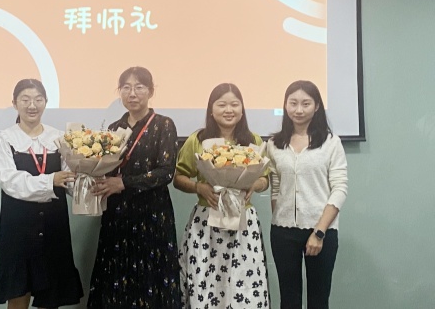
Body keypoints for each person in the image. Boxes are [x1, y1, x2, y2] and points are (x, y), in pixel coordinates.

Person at [88, 66, 181, 308]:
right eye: (126, 88)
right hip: (118, 214)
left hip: (152, 215)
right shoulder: (113, 129)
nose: (132, 93)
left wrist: (125, 183)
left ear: (150, 91)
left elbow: (166, 171)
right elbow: (106, 167)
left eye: (139, 87)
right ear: (119, 91)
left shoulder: (164, 125)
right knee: (117, 275)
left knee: (151, 276)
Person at [0, 79, 83, 309]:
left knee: (52, 295)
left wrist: (90, 182)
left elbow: (70, 179)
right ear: (15, 103)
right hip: (18, 227)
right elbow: (9, 181)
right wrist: (50, 180)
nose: (32, 105)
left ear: (46, 102)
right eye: (25, 100)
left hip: (53, 224)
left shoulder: (59, 138)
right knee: (18, 291)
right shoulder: (6, 138)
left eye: (38, 99)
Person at [174, 83, 270, 308]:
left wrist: (254, 185)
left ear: (242, 110)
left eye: (235, 104)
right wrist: (199, 188)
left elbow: (265, 179)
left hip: (243, 223)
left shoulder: (253, 141)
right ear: (211, 109)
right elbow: (178, 177)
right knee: (206, 283)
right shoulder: (197, 140)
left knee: (244, 283)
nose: (229, 110)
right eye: (222, 104)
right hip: (206, 222)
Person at [267, 80, 348, 309]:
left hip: (321, 230)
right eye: (293, 103)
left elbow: (340, 189)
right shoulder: (274, 144)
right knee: (289, 300)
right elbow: (275, 187)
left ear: (317, 106)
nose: (299, 110)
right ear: (285, 105)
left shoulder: (331, 143)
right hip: (283, 232)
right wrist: (279, 216)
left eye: (306, 103)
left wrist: (319, 232)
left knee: (318, 301)